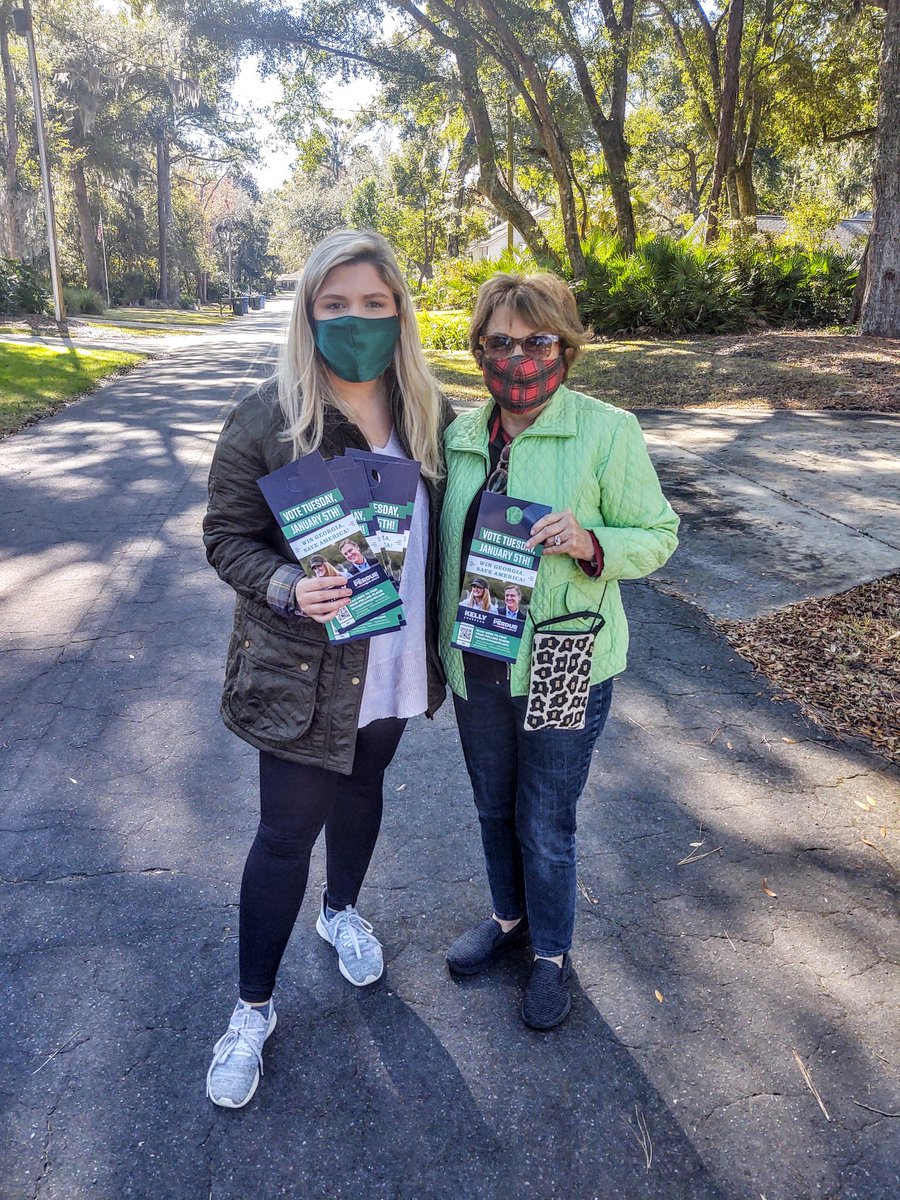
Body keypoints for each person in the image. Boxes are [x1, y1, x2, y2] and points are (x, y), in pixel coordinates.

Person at [203, 229, 453, 1107]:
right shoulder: (269, 418)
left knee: (365, 786)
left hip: (395, 658)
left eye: (373, 304)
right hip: (306, 671)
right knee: (283, 835)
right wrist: (281, 582)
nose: (355, 320)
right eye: (335, 304)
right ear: (309, 313)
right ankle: (252, 1008)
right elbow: (225, 537)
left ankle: (341, 911)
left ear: (399, 314)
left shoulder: (431, 415)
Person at [440, 272, 679, 1030]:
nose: (518, 358)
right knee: (491, 807)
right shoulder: (460, 436)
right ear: (479, 350)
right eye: (499, 342)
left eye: (537, 340)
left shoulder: (606, 431)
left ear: (566, 347)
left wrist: (591, 542)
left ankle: (551, 953)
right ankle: (509, 919)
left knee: (544, 817)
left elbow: (661, 535)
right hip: (477, 654)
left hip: (562, 658)